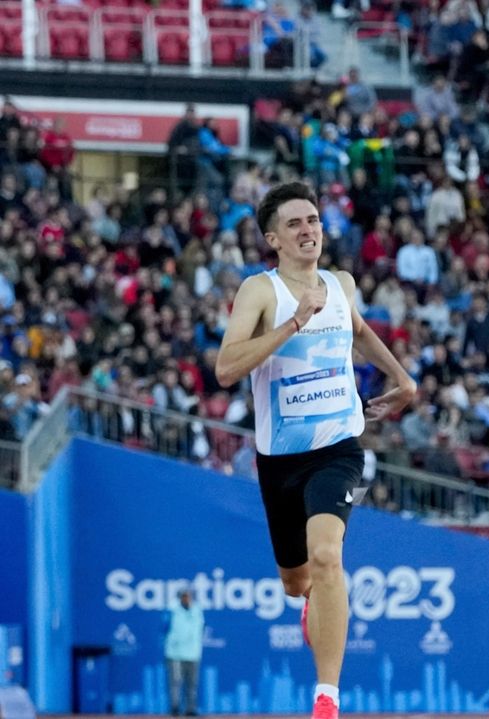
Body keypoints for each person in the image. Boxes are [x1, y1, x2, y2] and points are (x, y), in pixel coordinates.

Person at [214, 182, 417, 719]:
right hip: (279, 459)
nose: (309, 231)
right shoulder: (261, 292)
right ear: (272, 239)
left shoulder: (341, 282)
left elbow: (358, 331)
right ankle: (310, 604)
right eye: (296, 224)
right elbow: (227, 368)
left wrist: (402, 378)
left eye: (314, 221)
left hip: (339, 448)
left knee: (328, 555)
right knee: (296, 581)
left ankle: (326, 695)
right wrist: (295, 321)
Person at [164, 588, 205, 717]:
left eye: (188, 596)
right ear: (179, 598)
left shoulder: (197, 611)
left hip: (193, 653)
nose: (186, 599)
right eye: (183, 596)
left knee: (192, 683)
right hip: (175, 654)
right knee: (176, 682)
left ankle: (190, 709)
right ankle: (175, 708)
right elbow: (165, 628)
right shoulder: (172, 611)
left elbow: (199, 630)